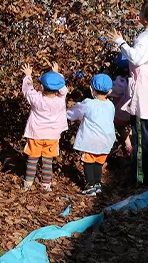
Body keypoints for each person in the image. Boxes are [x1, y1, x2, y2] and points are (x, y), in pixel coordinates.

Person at [106, 0, 148, 187]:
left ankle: (141, 179)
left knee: (141, 140)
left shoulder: (146, 38)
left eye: (140, 12)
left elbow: (136, 57)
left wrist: (120, 41)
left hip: (144, 96)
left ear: (146, 19)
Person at [21, 62, 68, 192]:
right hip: (52, 136)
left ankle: (28, 183)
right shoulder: (60, 100)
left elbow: (28, 90)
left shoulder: (36, 99)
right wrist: (57, 74)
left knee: (32, 159)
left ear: (41, 86)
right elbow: (64, 89)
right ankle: (46, 184)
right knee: (48, 160)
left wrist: (28, 76)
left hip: (36, 134)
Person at [67, 74, 115, 196]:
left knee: (88, 162)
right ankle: (97, 184)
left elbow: (73, 113)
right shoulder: (111, 105)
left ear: (91, 89)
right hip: (106, 140)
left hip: (91, 139)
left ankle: (90, 185)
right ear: (110, 91)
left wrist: (64, 114)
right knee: (99, 162)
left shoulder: (88, 103)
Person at [109, 54, 132, 156]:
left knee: (112, 124)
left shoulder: (121, 81)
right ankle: (129, 146)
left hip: (119, 114)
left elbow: (112, 92)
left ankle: (113, 144)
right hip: (131, 114)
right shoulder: (134, 80)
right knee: (122, 128)